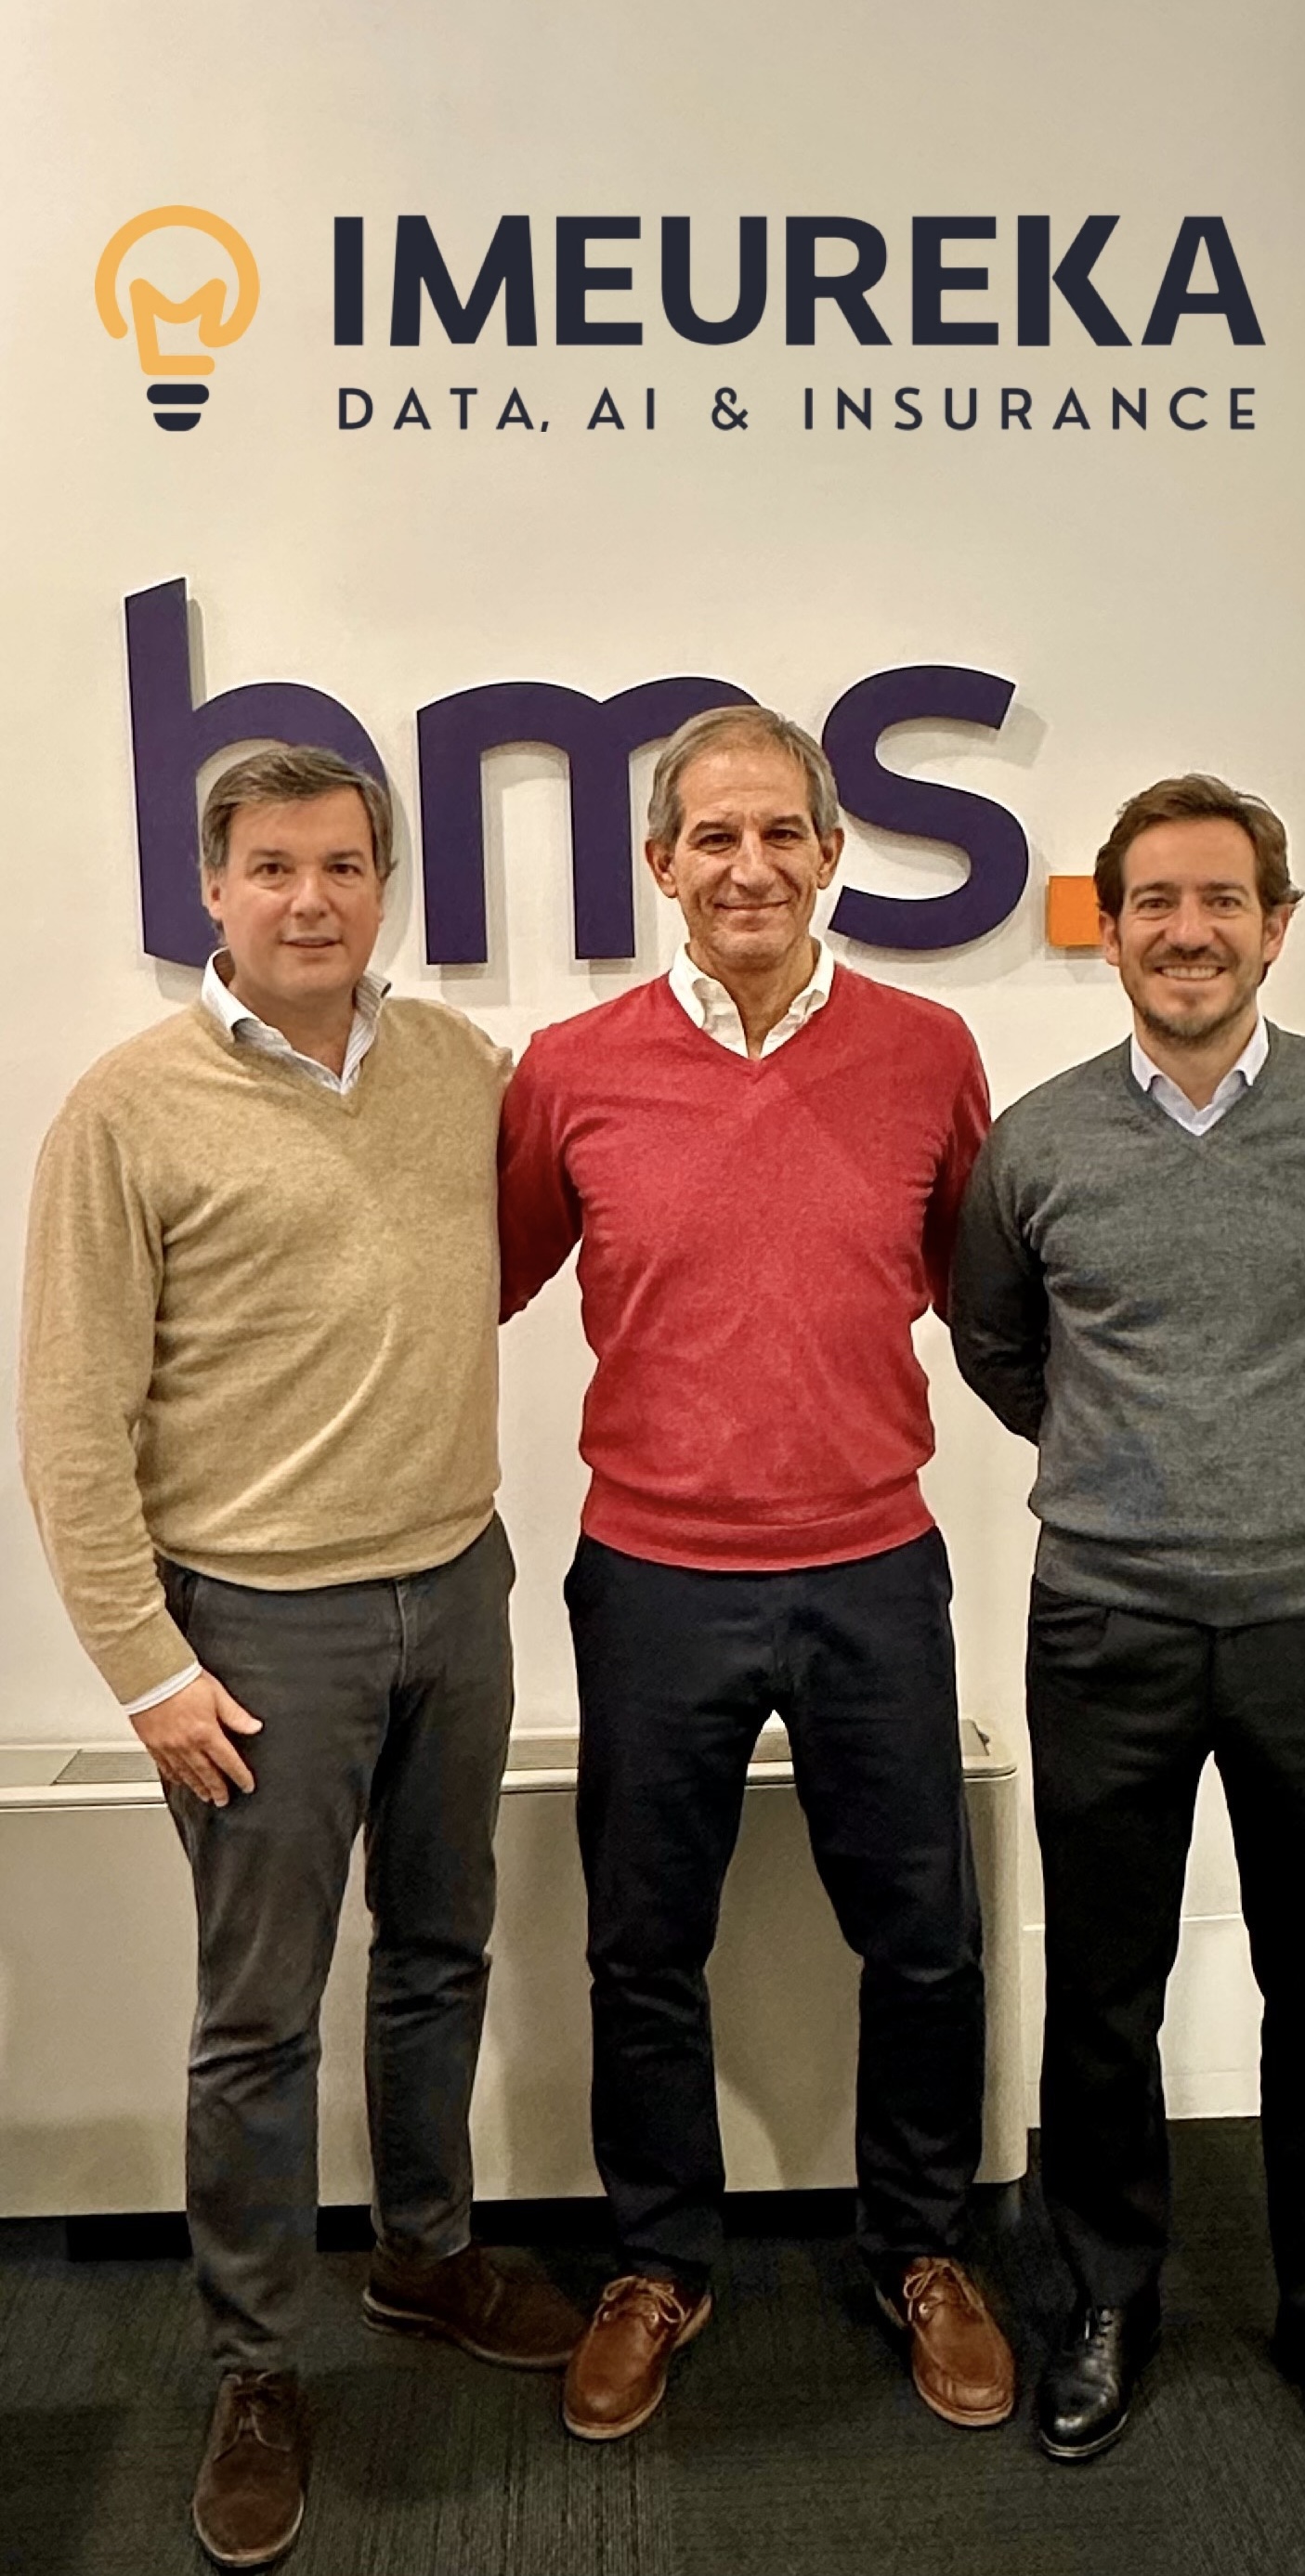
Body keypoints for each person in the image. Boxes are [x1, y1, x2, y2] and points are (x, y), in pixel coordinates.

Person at [19, 745, 581, 2570]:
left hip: (457, 1585)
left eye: (343, 863)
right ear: (214, 888)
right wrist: (146, 1667)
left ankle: (425, 2255)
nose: (312, 898)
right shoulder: (128, 1108)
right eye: (273, 866)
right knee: (256, 2020)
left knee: (438, 1952)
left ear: (383, 881)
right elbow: (70, 1421)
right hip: (255, 1628)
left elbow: (488, 1266)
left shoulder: (458, 1069)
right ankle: (256, 2364)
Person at [950, 773, 1305, 2500]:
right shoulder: (1037, 1141)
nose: (1186, 932)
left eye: (1220, 901)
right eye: (1153, 903)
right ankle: (1106, 2301)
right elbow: (995, 1344)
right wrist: (1127, 1470)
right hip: (1103, 1625)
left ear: (1275, 923)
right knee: (1102, 1995)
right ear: (1109, 929)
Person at [496, 706, 1013, 2443]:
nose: (749, 866)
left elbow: (975, 1288)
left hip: (873, 1567)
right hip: (652, 1577)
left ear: (830, 852)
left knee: (923, 1939)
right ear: (660, 863)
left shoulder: (927, 1050)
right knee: (644, 1945)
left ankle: (921, 2247)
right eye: (713, 837)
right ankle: (659, 2263)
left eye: (781, 832)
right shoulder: (571, 1068)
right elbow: (470, 1279)